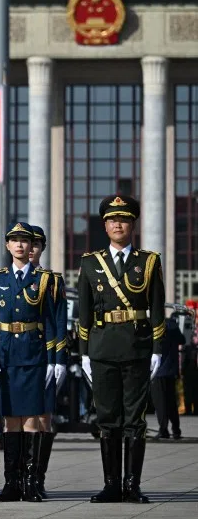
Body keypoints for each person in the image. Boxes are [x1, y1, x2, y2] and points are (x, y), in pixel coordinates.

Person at [78, 195, 165, 504]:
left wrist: (157, 349)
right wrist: (84, 352)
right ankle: (111, 484)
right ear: (105, 225)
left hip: (137, 347)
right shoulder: (90, 262)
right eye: (113, 220)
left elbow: (156, 308)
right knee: (107, 418)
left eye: (124, 219)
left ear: (132, 224)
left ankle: (133, 484)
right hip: (102, 348)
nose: (118, 224)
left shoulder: (149, 261)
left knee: (135, 419)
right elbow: (84, 312)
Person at [0, 221, 54, 503]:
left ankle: (31, 481)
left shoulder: (44, 279)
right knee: (10, 419)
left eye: (26, 240)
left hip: (33, 352)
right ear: (8, 245)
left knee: (33, 419)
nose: (22, 245)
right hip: (7, 353)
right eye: (16, 240)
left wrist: (55, 359)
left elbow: (51, 321)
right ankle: (12, 482)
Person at [29, 225, 68, 499]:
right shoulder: (5, 278)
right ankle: (18, 475)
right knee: (16, 419)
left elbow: (59, 322)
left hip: (44, 356)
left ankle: (36, 476)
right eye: (25, 243)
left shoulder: (52, 280)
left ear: (42, 248)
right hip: (16, 357)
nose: (30, 248)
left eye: (36, 244)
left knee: (44, 418)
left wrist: (58, 359)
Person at [150, 316, 185, 439]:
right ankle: (176, 429)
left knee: (160, 403)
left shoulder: (155, 327)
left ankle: (163, 429)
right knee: (171, 402)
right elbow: (183, 340)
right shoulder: (173, 326)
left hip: (158, 371)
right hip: (171, 370)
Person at [183, 331, 198, 415]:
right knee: (188, 393)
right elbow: (184, 360)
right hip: (190, 373)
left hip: (195, 373)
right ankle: (188, 410)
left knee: (196, 393)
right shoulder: (188, 348)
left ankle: (196, 410)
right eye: (194, 336)